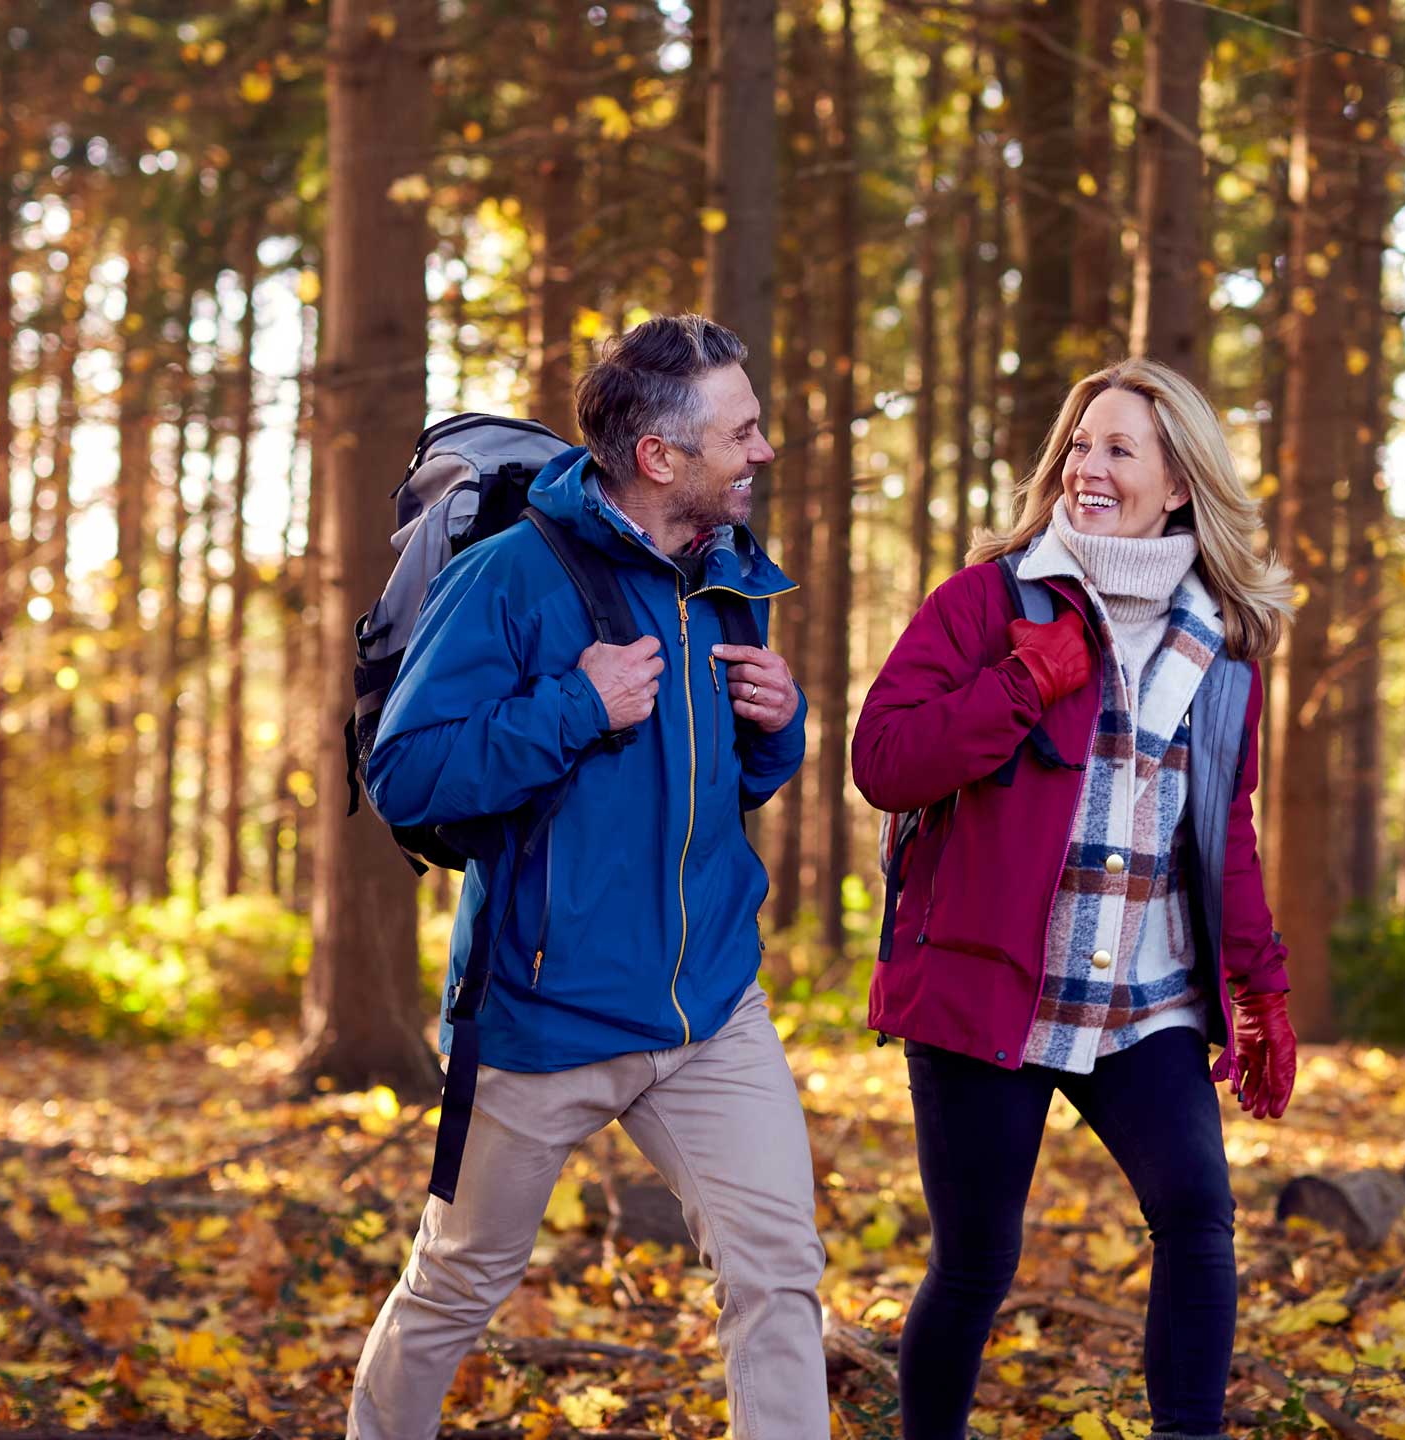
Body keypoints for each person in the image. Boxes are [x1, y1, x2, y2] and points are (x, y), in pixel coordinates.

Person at [347, 315, 828, 1440]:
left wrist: (779, 727)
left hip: (710, 1009)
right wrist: (576, 704)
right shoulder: (509, 582)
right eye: (742, 430)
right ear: (660, 457)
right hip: (541, 1015)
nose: (763, 451)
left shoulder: (728, 578)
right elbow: (408, 776)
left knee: (779, 1276)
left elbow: (716, 789)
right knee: (457, 1284)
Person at [852, 357, 1300, 1439]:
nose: (1085, 468)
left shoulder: (1222, 649)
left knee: (1197, 1214)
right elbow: (885, 759)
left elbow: (1221, 833)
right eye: (1079, 445)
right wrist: (1017, 683)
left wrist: (1259, 989)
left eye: (1118, 449)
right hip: (987, 989)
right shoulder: (988, 602)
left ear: (1180, 483)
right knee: (974, 1265)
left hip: (1143, 999)